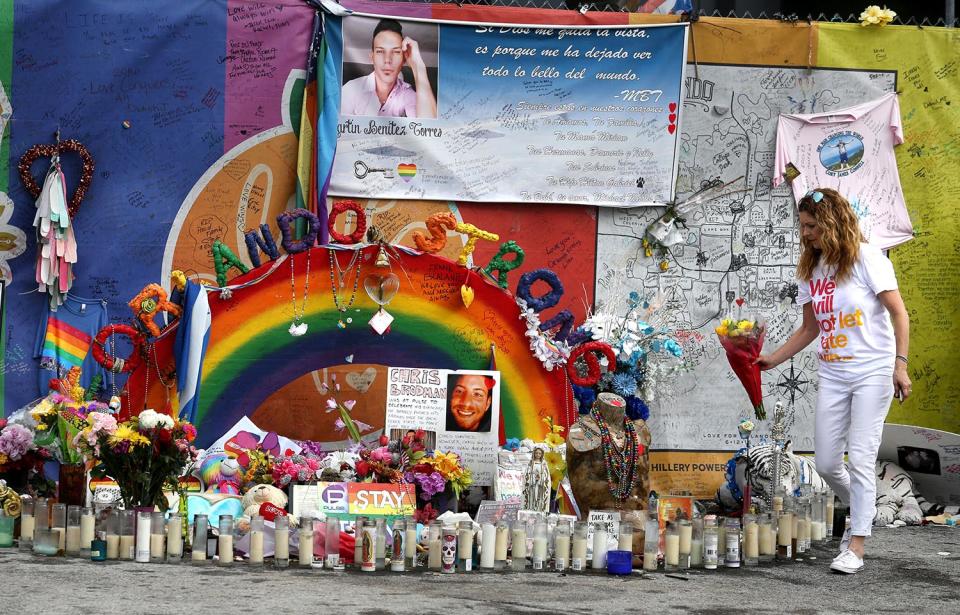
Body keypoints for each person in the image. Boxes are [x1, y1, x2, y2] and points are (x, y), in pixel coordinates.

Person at [756, 188, 911, 575]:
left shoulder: (866, 258)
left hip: (872, 371)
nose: (805, 233)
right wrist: (772, 359)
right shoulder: (812, 269)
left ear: (832, 221)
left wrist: (900, 365)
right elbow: (810, 328)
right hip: (834, 372)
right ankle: (865, 506)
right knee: (826, 462)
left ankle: (855, 545)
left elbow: (899, 315)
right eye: (802, 226)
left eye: (811, 226)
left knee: (860, 457)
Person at [341, 19, 437, 119]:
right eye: (380, 51)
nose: (387, 60)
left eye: (396, 52)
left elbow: (429, 130)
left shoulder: (407, 93)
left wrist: (418, 66)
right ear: (372, 58)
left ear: (403, 59)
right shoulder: (351, 89)